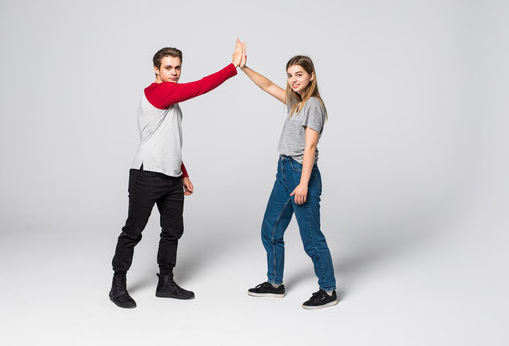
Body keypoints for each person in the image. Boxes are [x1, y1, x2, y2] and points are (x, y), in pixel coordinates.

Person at [109, 40, 245, 309]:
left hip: (171, 176)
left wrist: (182, 173)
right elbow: (199, 87)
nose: (174, 72)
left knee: (172, 231)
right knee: (132, 231)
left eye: (178, 67)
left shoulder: (170, 99)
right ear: (156, 70)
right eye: (168, 67)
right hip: (146, 174)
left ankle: (166, 282)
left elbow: (169, 139)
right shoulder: (156, 92)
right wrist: (232, 67)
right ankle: (118, 284)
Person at [240, 46, 338, 310]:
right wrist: (243, 67)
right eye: (290, 75)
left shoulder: (314, 105)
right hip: (283, 172)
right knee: (270, 230)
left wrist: (304, 183)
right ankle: (275, 284)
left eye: (298, 74)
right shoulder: (297, 102)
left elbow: (309, 147)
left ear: (311, 76)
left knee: (311, 238)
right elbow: (269, 86)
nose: (293, 80)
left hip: (299, 173)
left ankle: (328, 290)